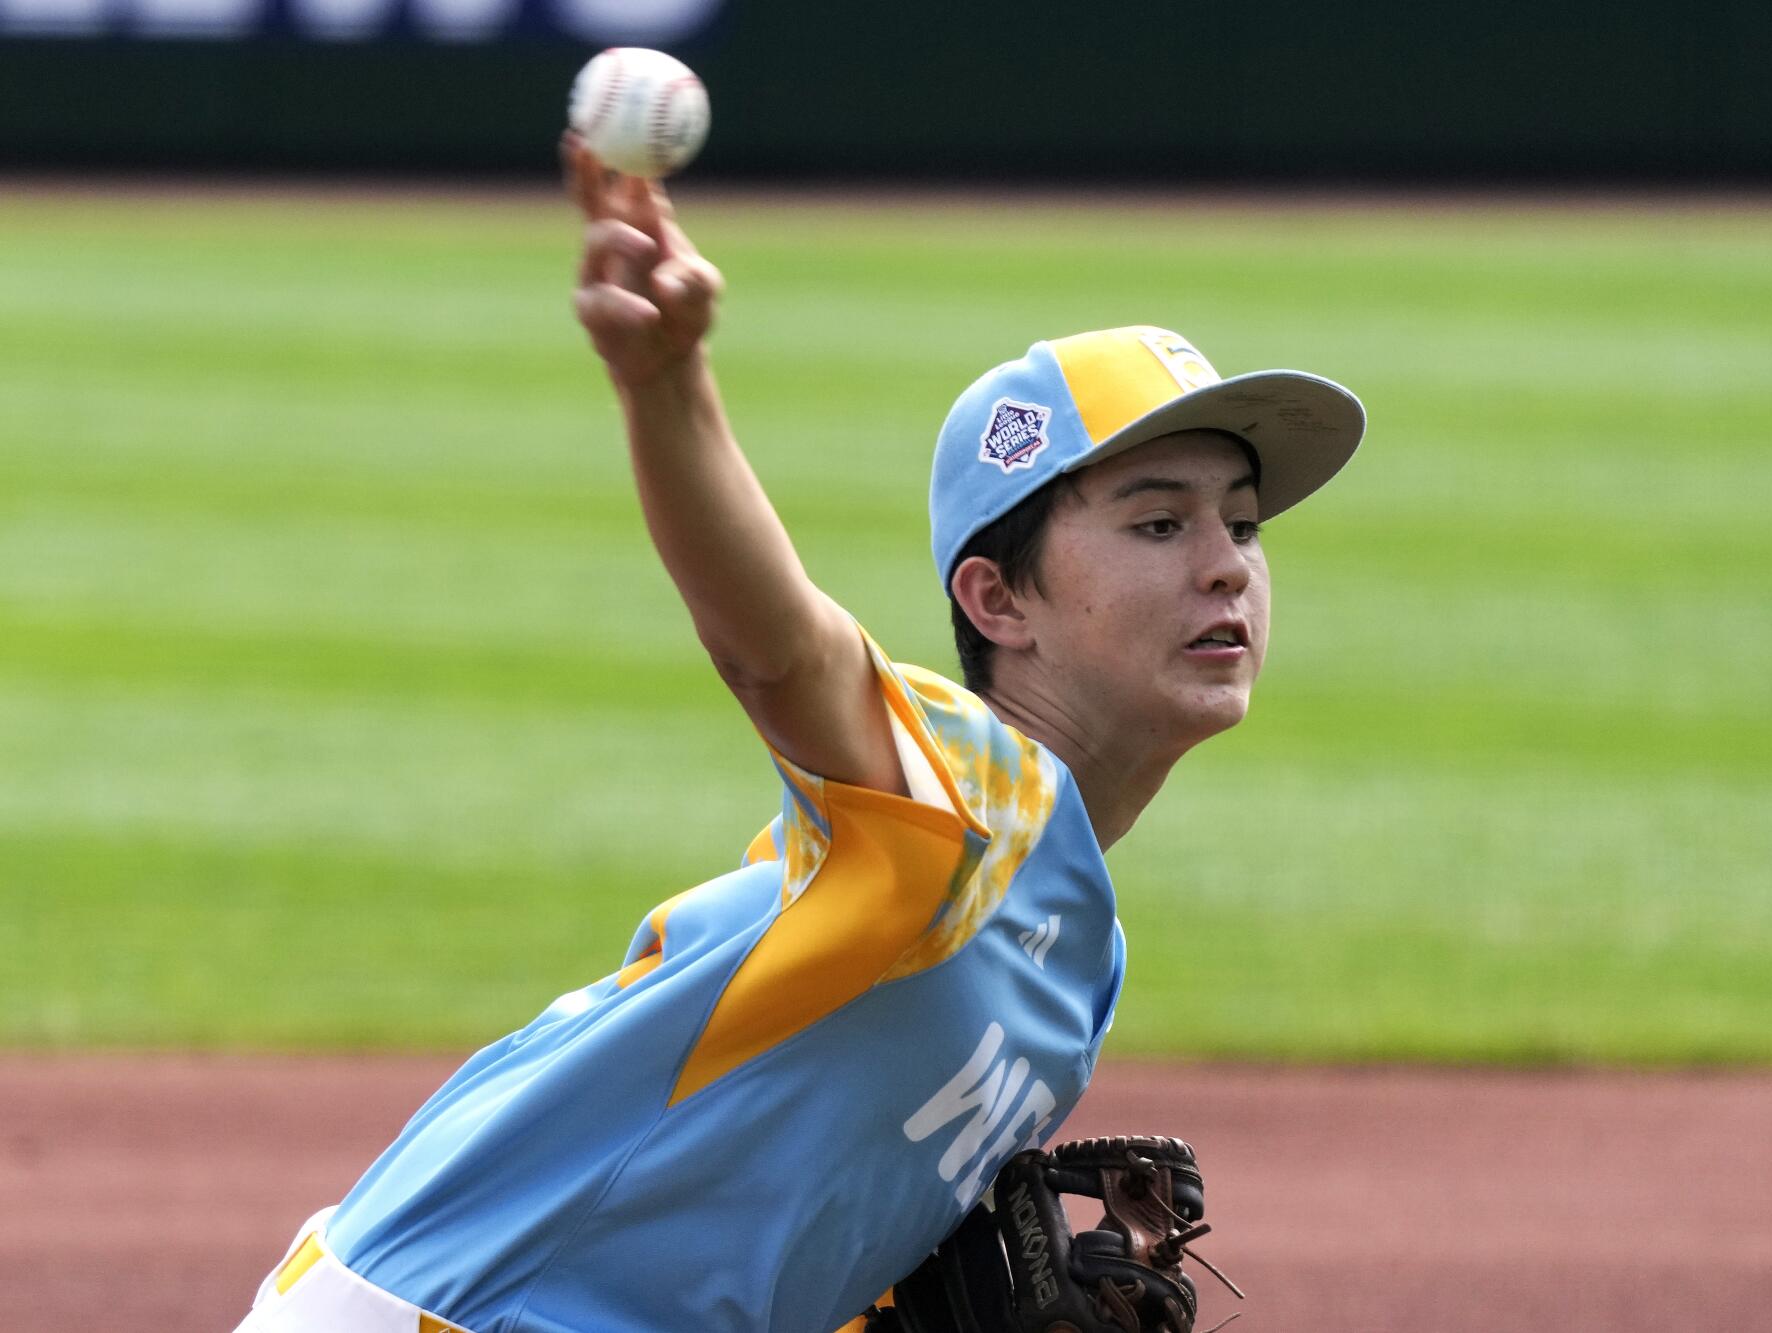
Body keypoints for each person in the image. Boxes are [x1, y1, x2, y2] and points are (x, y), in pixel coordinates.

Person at [231, 141, 1365, 1333]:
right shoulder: (964, 797)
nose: (1223, 566)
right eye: (1155, 522)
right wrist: (668, 383)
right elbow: (780, 653)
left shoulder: (1080, 958)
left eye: (1240, 523)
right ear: (997, 601)